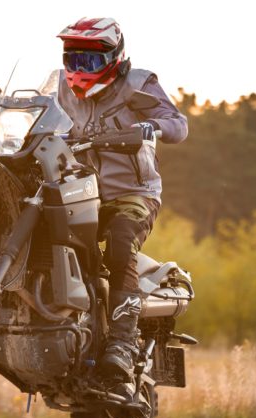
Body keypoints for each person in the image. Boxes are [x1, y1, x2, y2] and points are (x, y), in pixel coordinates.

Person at [55, 17, 188, 383]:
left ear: (114, 57)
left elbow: (178, 124)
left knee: (119, 243)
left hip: (132, 194)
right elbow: (34, 112)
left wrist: (152, 127)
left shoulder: (138, 84)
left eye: (91, 61)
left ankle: (122, 343)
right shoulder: (58, 86)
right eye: (74, 59)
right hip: (79, 190)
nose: (80, 70)